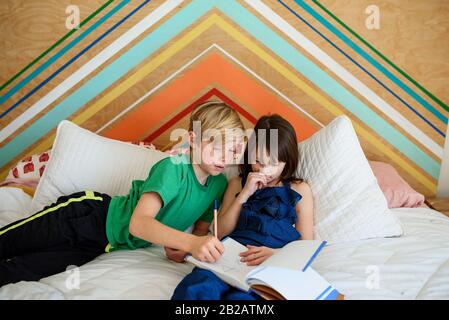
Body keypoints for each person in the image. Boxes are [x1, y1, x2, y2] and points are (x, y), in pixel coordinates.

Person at [0, 101, 245, 287]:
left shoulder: (218, 185)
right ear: (193, 140)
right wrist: (189, 241)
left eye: (231, 148)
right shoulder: (173, 168)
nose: (225, 156)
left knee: (21, 272)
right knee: (10, 241)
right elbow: (139, 224)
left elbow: (201, 230)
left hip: (103, 245)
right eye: (217, 146)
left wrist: (183, 248)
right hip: (88, 216)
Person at [171, 114, 314, 300]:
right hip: (228, 259)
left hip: (268, 265)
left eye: (273, 164)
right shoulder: (237, 184)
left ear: (288, 161)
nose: (264, 170)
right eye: (258, 161)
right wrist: (244, 195)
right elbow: (219, 232)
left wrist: (276, 255)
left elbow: (306, 247)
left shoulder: (299, 189)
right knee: (197, 289)